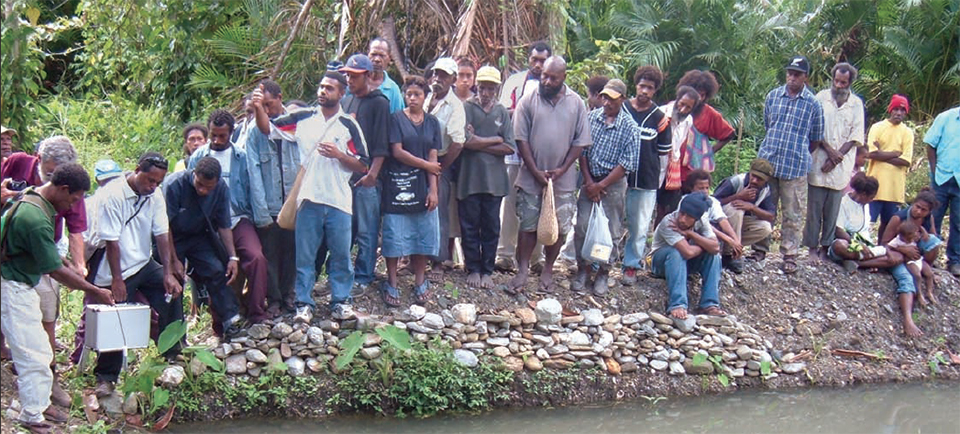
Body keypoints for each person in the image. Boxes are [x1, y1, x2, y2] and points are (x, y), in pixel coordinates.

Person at [1, 164, 113, 432]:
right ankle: (31, 415)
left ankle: (38, 404)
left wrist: (67, 263)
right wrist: (95, 290)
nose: (73, 206)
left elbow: (47, 253)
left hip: (19, 279)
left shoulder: (34, 198)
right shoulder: (35, 218)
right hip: (13, 285)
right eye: (73, 199)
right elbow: (53, 269)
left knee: (38, 348)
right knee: (33, 353)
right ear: (63, 189)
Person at [253, 71, 368, 323]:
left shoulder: (349, 124)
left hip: (339, 200)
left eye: (329, 88)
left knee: (340, 255)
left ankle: (341, 301)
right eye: (321, 86)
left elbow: (363, 165)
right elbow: (267, 129)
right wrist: (258, 107)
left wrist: (339, 154)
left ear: (341, 93)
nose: (322, 91)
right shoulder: (302, 118)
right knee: (304, 256)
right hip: (308, 199)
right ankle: (304, 304)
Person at [87, 153, 183, 396]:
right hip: (115, 268)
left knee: (173, 292)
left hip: (142, 262)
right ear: (137, 169)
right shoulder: (113, 195)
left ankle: (174, 352)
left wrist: (168, 273)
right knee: (117, 316)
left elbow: (162, 233)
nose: (153, 186)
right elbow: (112, 242)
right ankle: (106, 376)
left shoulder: (154, 194)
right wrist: (117, 280)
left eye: (158, 183)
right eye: (150, 180)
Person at [1, 136, 88, 392]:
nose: (52, 179)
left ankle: (47, 374)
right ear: (38, 159)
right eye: (49, 172)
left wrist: (80, 265)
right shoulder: (18, 164)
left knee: (46, 310)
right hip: (11, 248)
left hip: (44, 248)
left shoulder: (68, 188)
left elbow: (76, 230)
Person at [508, 56, 590, 295]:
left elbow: (580, 141)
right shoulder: (528, 100)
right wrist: (535, 170)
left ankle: (548, 269)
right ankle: (522, 270)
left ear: (564, 77)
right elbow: (520, 138)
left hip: (562, 180)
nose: (546, 80)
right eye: (544, 75)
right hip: (531, 176)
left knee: (560, 227)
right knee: (528, 225)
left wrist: (563, 168)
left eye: (553, 77)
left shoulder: (576, 103)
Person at [188, 110, 270, 324]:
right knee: (217, 268)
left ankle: (256, 312)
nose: (217, 140)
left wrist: (259, 218)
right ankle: (223, 321)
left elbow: (253, 188)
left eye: (222, 136)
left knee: (256, 258)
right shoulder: (198, 157)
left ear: (231, 133)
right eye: (213, 135)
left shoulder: (241, 157)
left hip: (237, 217)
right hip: (209, 225)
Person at [756, 55, 825, 274]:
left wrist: (799, 152)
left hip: (795, 166)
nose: (792, 78)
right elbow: (768, 125)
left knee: (793, 212)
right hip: (769, 161)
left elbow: (815, 137)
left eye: (797, 74)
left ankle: (790, 253)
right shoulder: (773, 96)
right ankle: (759, 249)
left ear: (805, 77)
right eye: (789, 73)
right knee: (763, 207)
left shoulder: (813, 104)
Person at [827, 173, 919, 336]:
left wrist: (868, 247)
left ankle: (861, 264)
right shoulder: (843, 203)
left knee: (896, 258)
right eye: (870, 197)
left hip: (866, 246)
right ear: (863, 194)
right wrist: (857, 245)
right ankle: (863, 261)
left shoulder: (866, 206)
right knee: (841, 246)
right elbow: (838, 229)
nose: (871, 200)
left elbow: (866, 232)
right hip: (849, 244)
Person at [164, 157, 244, 337]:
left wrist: (232, 257)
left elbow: (224, 225)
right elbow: (164, 227)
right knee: (174, 282)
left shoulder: (221, 188)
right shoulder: (174, 185)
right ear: (194, 174)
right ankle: (175, 336)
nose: (203, 190)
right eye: (200, 184)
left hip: (199, 235)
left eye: (209, 187)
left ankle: (230, 321)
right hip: (172, 237)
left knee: (216, 270)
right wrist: (173, 260)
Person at [572, 79, 637, 296]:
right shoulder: (591, 119)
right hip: (590, 179)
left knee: (610, 230)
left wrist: (602, 185)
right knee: (582, 225)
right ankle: (583, 268)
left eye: (613, 99)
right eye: (605, 97)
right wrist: (590, 183)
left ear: (623, 100)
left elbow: (627, 163)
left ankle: (603, 271)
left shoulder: (630, 127)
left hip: (613, 185)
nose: (607, 102)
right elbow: (582, 151)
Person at [381, 76, 442, 305]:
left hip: (422, 185)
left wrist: (433, 189)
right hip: (398, 183)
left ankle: (420, 280)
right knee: (394, 233)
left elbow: (433, 155)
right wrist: (426, 165)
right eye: (409, 94)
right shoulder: (396, 119)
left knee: (423, 232)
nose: (413, 98)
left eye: (417, 94)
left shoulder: (432, 123)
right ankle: (392, 282)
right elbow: (397, 151)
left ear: (425, 96)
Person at [245, 79, 300, 316]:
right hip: (269, 204)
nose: (266, 111)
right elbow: (253, 171)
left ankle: (290, 294)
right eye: (262, 107)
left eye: (269, 105)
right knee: (270, 255)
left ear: (280, 98)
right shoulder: (253, 132)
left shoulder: (297, 123)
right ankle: (274, 299)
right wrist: (261, 211)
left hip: (293, 202)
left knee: (293, 252)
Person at [496, 41, 551, 272]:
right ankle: (505, 254)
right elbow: (501, 112)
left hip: (541, 159)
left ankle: (536, 258)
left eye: (542, 61)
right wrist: (521, 112)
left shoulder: (552, 85)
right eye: (534, 60)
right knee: (509, 204)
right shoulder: (515, 82)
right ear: (528, 59)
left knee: (539, 206)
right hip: (515, 155)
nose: (538, 65)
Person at [459, 66, 515, 289]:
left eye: (491, 89)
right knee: (469, 224)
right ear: (477, 87)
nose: (486, 92)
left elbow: (510, 146)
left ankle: (487, 269)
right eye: (483, 88)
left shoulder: (501, 111)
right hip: (469, 177)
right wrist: (494, 139)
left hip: (494, 180)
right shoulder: (467, 107)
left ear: (496, 89)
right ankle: (472, 267)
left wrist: (479, 141)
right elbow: (464, 141)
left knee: (491, 225)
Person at [340, 54, 391, 292]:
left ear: (368, 76)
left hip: (369, 176)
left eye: (354, 76)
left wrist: (373, 175)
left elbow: (382, 142)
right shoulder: (348, 101)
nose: (349, 80)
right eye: (348, 75)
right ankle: (341, 273)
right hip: (347, 173)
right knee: (346, 227)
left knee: (367, 228)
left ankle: (364, 275)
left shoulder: (379, 102)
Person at [806, 62, 865, 262]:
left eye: (843, 82)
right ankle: (811, 248)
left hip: (842, 163)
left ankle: (825, 247)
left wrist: (837, 156)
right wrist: (829, 152)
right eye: (836, 81)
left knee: (832, 209)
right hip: (819, 159)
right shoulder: (820, 98)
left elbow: (856, 134)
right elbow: (813, 127)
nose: (839, 85)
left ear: (850, 83)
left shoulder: (856, 104)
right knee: (814, 208)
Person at [621, 65, 671, 284]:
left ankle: (631, 265)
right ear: (636, 85)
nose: (644, 91)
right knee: (611, 222)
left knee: (640, 227)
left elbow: (663, 154)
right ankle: (598, 262)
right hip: (616, 178)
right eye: (642, 86)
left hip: (646, 180)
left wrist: (657, 182)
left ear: (655, 91)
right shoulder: (621, 108)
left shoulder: (660, 118)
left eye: (649, 88)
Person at [649, 192, 725, 320]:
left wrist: (691, 234)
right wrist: (705, 246)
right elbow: (687, 252)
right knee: (676, 252)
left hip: (685, 263)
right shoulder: (670, 221)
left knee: (714, 257)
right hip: (660, 262)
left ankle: (709, 304)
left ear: (696, 218)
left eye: (688, 216)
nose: (682, 219)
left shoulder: (702, 221)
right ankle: (678, 304)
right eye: (682, 213)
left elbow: (716, 248)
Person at [425, 57, 467, 278]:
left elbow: (458, 142)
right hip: (421, 161)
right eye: (435, 74)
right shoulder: (427, 99)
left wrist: (441, 166)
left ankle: (439, 262)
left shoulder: (455, 106)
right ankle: (417, 259)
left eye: (443, 75)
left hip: (440, 163)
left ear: (452, 79)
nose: (437, 79)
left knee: (439, 213)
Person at [713, 158, 777, 272]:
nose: (754, 181)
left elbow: (771, 216)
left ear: (766, 181)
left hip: (738, 225)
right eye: (753, 176)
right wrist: (737, 197)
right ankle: (730, 254)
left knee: (766, 228)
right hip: (719, 223)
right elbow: (711, 203)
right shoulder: (735, 182)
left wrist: (752, 207)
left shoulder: (765, 190)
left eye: (760, 179)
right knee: (736, 209)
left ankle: (733, 248)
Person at [880, 189, 943, 299]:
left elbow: (933, 239)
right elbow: (884, 243)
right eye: (917, 207)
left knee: (934, 240)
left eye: (923, 210)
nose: (919, 211)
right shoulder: (899, 218)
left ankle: (928, 266)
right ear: (913, 203)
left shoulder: (928, 218)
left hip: (916, 254)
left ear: (928, 212)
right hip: (898, 254)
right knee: (907, 279)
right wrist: (903, 249)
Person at [866, 94, 913, 240]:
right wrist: (894, 153)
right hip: (874, 185)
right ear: (890, 110)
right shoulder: (877, 127)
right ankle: (860, 252)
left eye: (902, 110)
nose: (899, 113)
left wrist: (882, 154)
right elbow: (871, 154)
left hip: (894, 187)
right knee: (867, 222)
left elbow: (906, 160)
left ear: (906, 112)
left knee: (888, 225)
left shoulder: (907, 132)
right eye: (896, 109)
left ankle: (881, 253)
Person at [675, 70, 736, 180]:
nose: (697, 97)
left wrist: (706, 153)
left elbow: (729, 134)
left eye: (701, 95)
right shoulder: (672, 108)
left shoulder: (709, 113)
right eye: (695, 92)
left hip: (692, 175)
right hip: (670, 171)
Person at [923, 105, 960, 276]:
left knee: (958, 222)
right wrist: (933, 171)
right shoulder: (946, 117)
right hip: (941, 177)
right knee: (933, 217)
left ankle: (954, 261)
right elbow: (931, 144)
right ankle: (930, 256)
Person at [683, 169, 743, 273]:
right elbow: (703, 224)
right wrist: (728, 239)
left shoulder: (713, 202)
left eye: (707, 188)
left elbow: (722, 220)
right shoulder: (686, 201)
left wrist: (735, 240)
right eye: (701, 188)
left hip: (708, 238)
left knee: (714, 252)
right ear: (691, 189)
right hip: (691, 240)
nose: (705, 191)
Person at [657, 86, 701, 225]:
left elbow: (678, 146)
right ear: (677, 99)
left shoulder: (688, 121)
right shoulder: (660, 113)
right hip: (654, 166)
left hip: (671, 170)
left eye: (688, 107)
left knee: (666, 209)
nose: (682, 110)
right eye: (681, 104)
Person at [887, 220, 934, 307]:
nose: (916, 235)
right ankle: (919, 294)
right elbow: (888, 247)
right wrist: (895, 252)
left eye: (916, 233)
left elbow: (920, 228)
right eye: (914, 234)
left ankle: (929, 292)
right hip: (910, 261)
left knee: (930, 274)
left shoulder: (914, 238)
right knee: (917, 276)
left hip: (919, 260)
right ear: (905, 236)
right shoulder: (897, 241)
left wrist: (924, 232)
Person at [366, 37, 405, 113]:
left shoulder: (393, 89)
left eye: (382, 55)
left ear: (389, 59)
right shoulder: (357, 82)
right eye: (373, 54)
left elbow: (398, 119)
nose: (377, 59)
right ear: (368, 54)